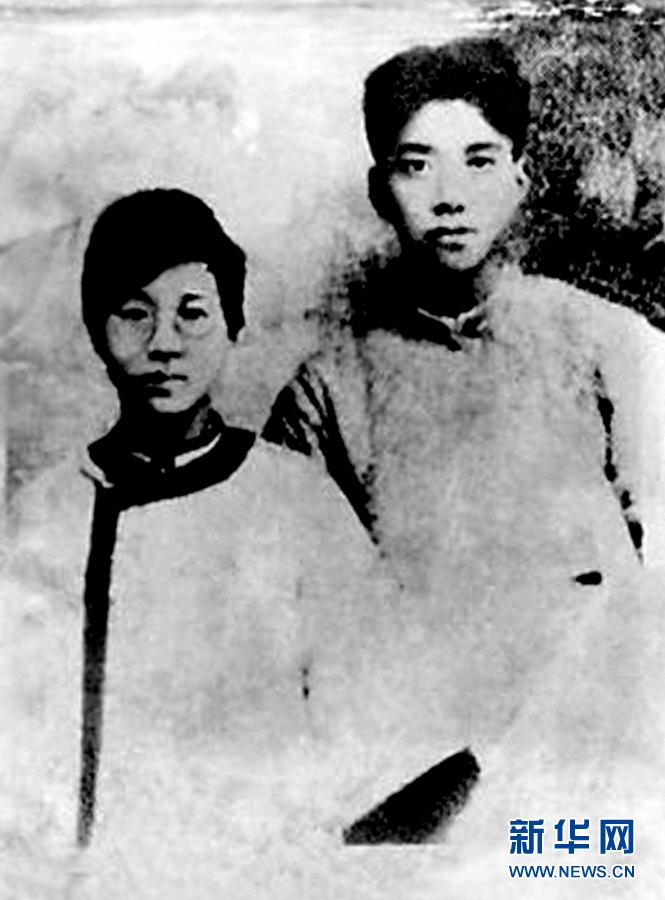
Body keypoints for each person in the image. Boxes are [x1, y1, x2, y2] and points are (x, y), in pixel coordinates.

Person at [1, 188, 441, 897]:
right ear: (95, 327)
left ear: (233, 323)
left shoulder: (293, 500)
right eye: (134, 312)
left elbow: (392, 747)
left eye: (193, 313)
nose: (164, 342)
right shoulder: (45, 512)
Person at [264, 37, 665, 581]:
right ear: (379, 190)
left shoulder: (615, 345)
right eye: (416, 165)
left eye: (479, 161)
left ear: (519, 179)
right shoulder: (325, 392)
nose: (450, 196)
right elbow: (292, 587)